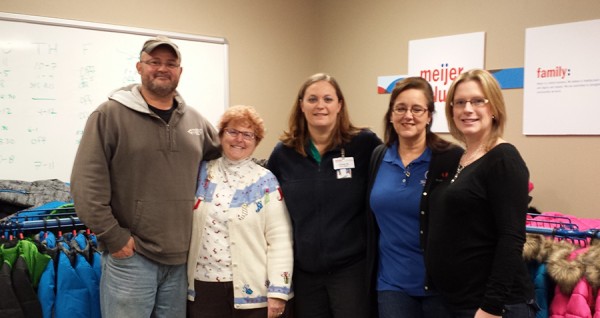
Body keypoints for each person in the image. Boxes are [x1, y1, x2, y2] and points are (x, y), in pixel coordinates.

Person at [70, 36, 221, 318]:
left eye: (171, 63)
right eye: (154, 62)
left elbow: (226, 160)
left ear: (180, 71)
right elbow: (85, 184)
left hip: (181, 259)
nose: (162, 68)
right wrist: (114, 238)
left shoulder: (196, 121)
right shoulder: (109, 115)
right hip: (132, 257)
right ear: (140, 67)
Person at [424, 69, 537, 318]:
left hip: (492, 307)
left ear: (494, 107)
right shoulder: (459, 158)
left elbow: (512, 238)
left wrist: (491, 307)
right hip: (455, 301)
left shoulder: (504, 159)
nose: (467, 109)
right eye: (460, 102)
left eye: (477, 101)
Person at [267, 73, 382, 318]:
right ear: (301, 105)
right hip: (305, 272)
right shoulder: (283, 153)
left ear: (339, 105)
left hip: (351, 271)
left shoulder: (364, 144)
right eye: (312, 99)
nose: (320, 105)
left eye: (328, 99)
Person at [366, 77, 462, 318]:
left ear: (429, 115)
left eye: (417, 109)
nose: (408, 115)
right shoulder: (378, 156)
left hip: (440, 286)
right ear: (390, 114)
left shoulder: (451, 157)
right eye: (400, 108)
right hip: (392, 284)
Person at [187, 105, 294, 318]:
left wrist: (278, 291)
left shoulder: (265, 181)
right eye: (232, 132)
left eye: (248, 135)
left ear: (256, 141)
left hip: (253, 291)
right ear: (221, 134)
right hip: (204, 288)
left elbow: (280, 240)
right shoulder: (201, 173)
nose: (239, 139)